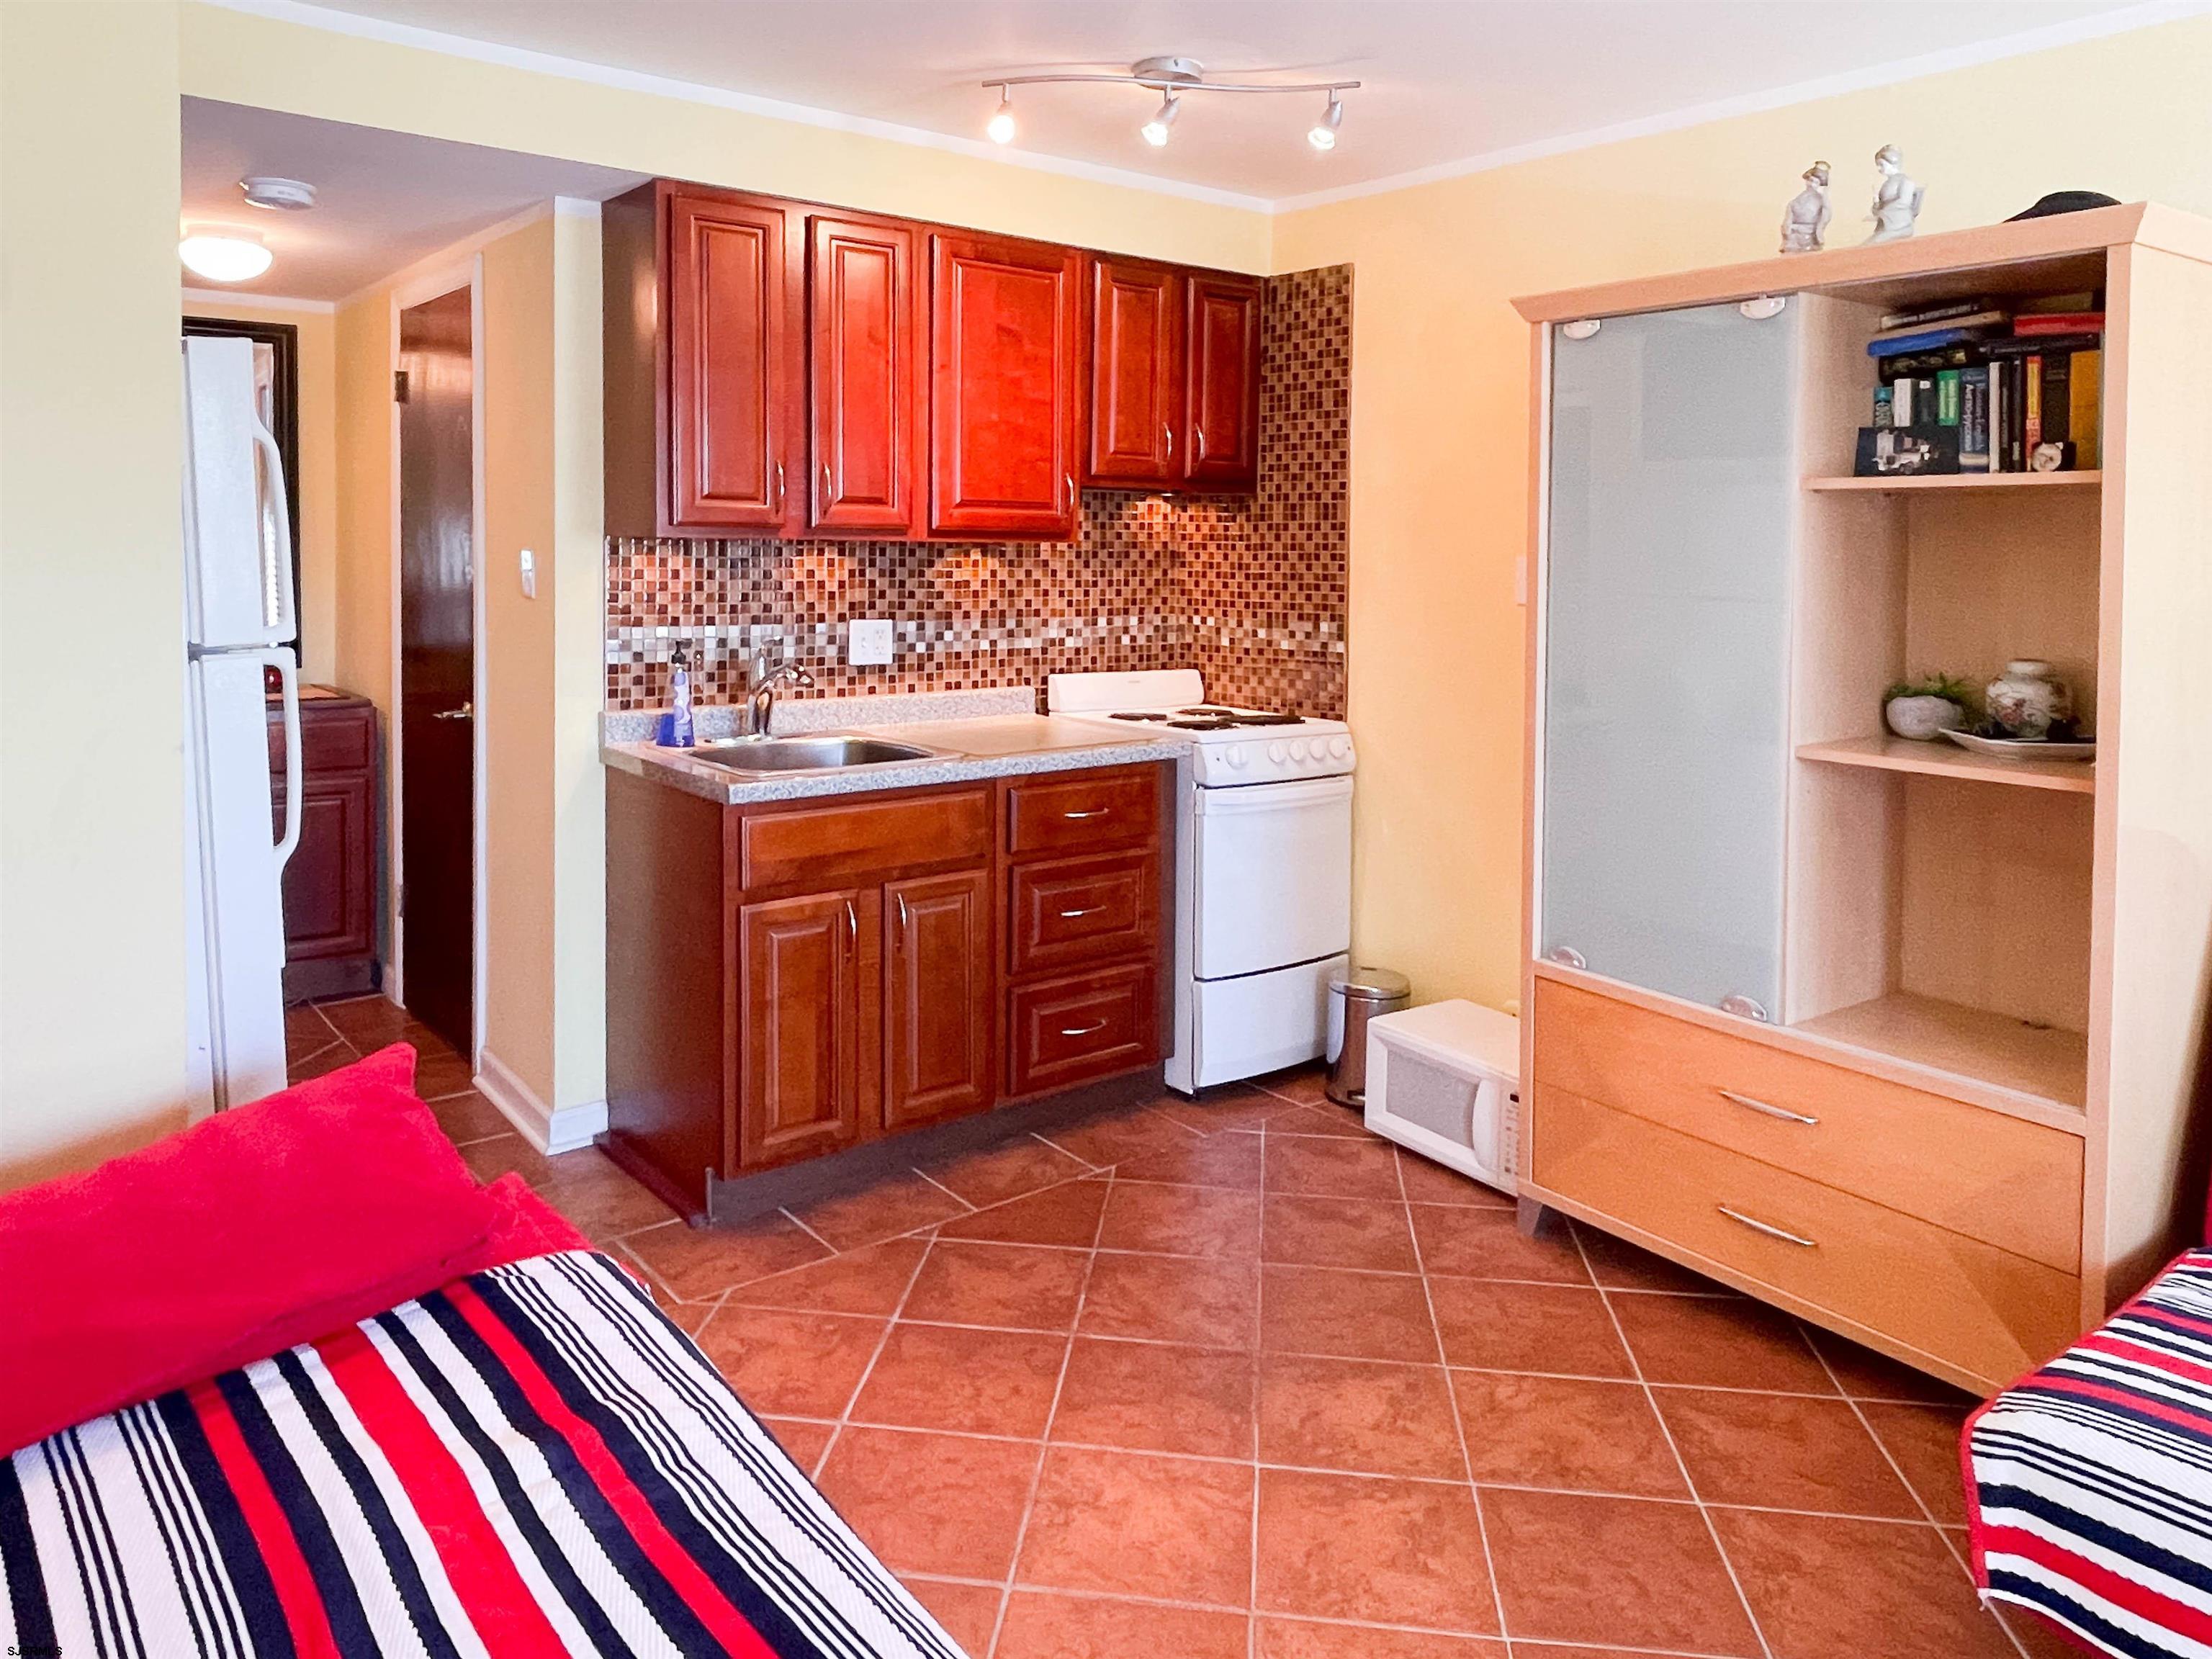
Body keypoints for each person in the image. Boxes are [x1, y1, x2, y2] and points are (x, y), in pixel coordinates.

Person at [1866, 145, 1924, 243]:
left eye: (1881, 164)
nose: (1879, 168)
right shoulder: (1887, 183)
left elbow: (1903, 202)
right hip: (1887, 225)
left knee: (1870, 246)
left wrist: (1882, 212)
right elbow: (1880, 206)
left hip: (1899, 226)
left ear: (1892, 162)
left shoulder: (1906, 181)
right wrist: (1876, 204)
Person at [1780, 161, 1831, 253]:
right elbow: (1790, 213)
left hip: (1808, 237)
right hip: (1793, 237)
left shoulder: (1821, 201)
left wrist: (1825, 194)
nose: (1811, 184)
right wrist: (1787, 230)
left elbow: (1826, 215)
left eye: (1815, 182)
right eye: (1810, 181)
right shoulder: (1797, 200)